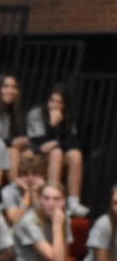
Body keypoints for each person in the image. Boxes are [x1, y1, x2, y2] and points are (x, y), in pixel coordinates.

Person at [26, 84, 87, 216]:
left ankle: (73, 203)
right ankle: (52, 196)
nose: (55, 105)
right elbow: (39, 143)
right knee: (57, 152)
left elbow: (73, 142)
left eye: (60, 102)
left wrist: (57, 141)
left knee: (75, 155)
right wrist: (52, 125)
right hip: (37, 154)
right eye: (52, 101)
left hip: (56, 152)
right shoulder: (36, 113)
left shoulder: (67, 117)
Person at [0, 73, 28, 175]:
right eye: (5, 87)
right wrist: (11, 142)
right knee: (13, 152)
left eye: (14, 87)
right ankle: (14, 188)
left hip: (6, 148)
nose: (10, 91)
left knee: (29, 155)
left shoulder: (16, 112)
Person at [1, 153, 46, 226]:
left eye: (34, 174)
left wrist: (34, 193)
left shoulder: (47, 190)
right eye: (25, 175)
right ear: (18, 177)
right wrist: (27, 193)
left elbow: (43, 219)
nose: (30, 179)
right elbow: (14, 219)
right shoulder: (8, 191)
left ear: (41, 176)